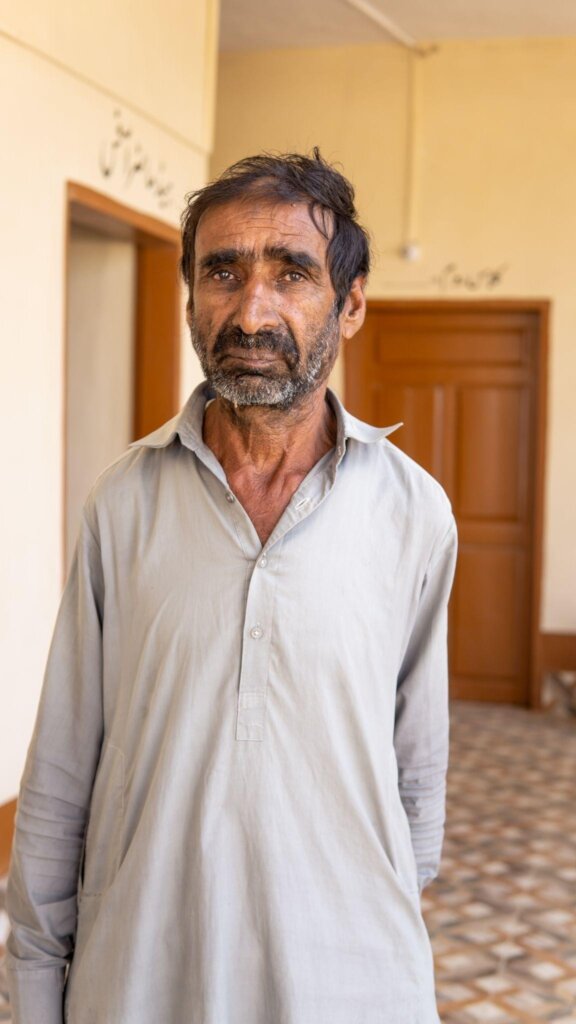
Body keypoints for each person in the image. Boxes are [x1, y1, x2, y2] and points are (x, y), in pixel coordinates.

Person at [6, 149, 457, 1024]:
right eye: (222, 272)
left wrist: (355, 926)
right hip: (140, 974)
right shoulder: (123, 503)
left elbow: (417, 780)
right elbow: (61, 774)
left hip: (348, 984)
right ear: (190, 302)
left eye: (292, 274)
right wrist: (32, 983)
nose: (252, 312)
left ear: (351, 304)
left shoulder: (413, 514)